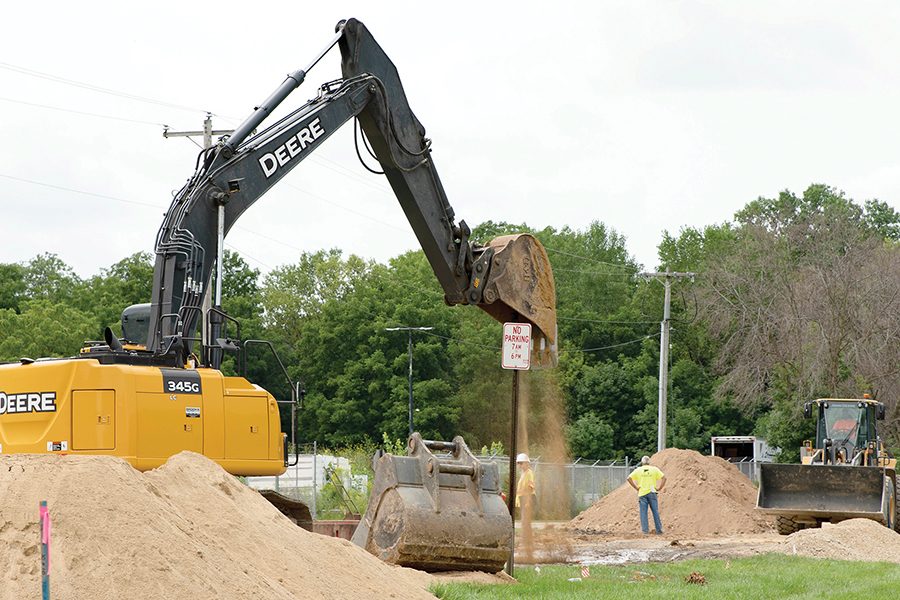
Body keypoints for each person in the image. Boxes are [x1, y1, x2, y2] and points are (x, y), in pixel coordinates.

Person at [627, 455, 666, 535]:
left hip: (642, 493)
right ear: (649, 462)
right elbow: (664, 478)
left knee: (643, 512)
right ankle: (659, 530)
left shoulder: (638, 470)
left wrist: (636, 488)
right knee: (655, 511)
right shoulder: (654, 469)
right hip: (652, 491)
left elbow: (628, 478)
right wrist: (660, 488)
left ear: (642, 462)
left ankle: (645, 531)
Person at [515, 453, 536, 559]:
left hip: (528, 498)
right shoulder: (523, 473)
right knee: (524, 522)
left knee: (526, 522)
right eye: (518, 463)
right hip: (523, 499)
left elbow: (531, 487)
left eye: (521, 463)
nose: (519, 465)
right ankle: (526, 542)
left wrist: (528, 501)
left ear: (526, 463)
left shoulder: (529, 473)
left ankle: (528, 543)